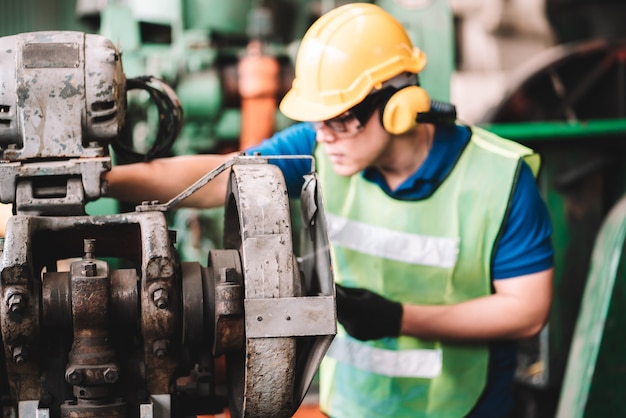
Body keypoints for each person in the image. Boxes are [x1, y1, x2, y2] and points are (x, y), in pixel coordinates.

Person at [105, 3, 554, 417]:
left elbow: (527, 311)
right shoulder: (322, 148)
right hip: (354, 406)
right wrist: (101, 180)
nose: (325, 135)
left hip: (462, 407)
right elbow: (224, 177)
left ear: (398, 107)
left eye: (340, 119)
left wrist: (399, 319)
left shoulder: (499, 179)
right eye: (318, 120)